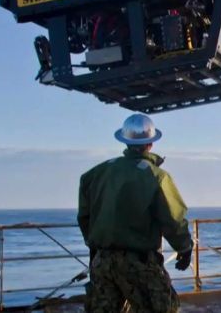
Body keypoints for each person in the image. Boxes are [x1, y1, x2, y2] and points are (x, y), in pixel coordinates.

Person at [78, 114, 193, 313]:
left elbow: (84, 216)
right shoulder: (156, 177)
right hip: (139, 262)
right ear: (151, 143)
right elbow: (173, 219)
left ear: (124, 140)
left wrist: (95, 244)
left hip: (102, 261)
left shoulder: (97, 173)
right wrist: (184, 248)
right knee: (164, 308)